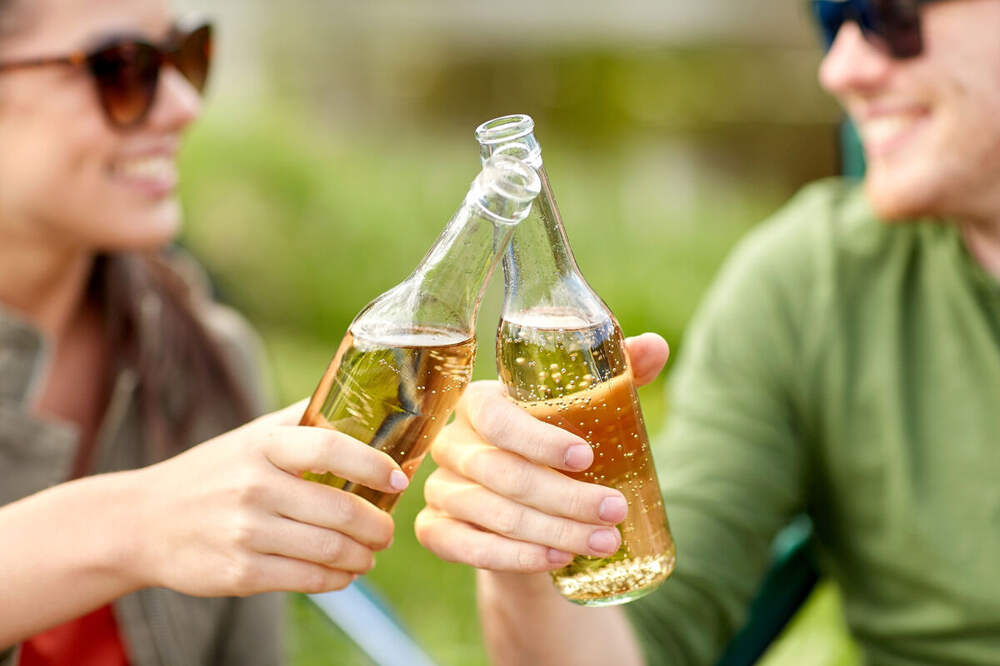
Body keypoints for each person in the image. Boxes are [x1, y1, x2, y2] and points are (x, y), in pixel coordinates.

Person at [415, 0, 1000, 663]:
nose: (840, 70)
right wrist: (527, 545)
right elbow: (646, 640)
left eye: (888, 16)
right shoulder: (814, 287)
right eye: (831, 21)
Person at [0, 1, 411, 664]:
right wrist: (130, 525)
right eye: (122, 68)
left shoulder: (204, 357)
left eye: (188, 54)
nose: (184, 106)